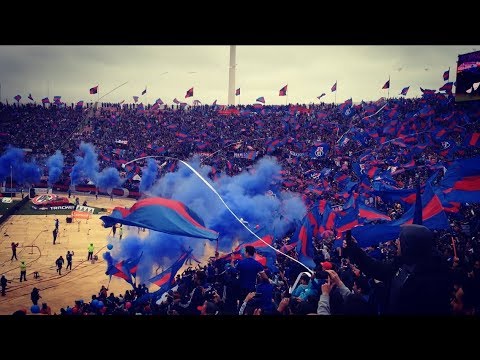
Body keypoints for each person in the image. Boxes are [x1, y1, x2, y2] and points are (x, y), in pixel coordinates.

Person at [343, 224, 453, 315]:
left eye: (400, 240)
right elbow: (377, 268)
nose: (396, 242)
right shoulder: (402, 262)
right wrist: (354, 248)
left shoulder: (433, 279)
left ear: (409, 245)